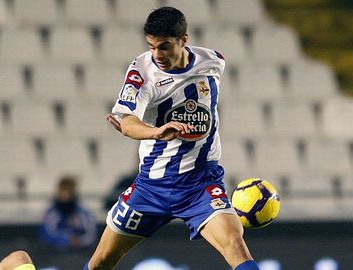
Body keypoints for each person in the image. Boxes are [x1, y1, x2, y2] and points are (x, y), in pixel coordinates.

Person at [85, 7, 260, 270]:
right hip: (152, 187)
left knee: (235, 245)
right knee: (100, 262)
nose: (158, 55)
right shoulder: (142, 73)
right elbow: (128, 123)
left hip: (200, 184)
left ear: (184, 40)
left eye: (164, 46)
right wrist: (155, 132)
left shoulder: (212, 61)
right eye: (152, 47)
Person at [38, 176, 97, 251]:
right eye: (63, 191)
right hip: (55, 254)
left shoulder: (84, 212)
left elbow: (92, 234)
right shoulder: (50, 213)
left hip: (80, 254)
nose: (65, 195)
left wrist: (80, 241)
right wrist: (67, 241)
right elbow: (45, 235)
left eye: (68, 191)